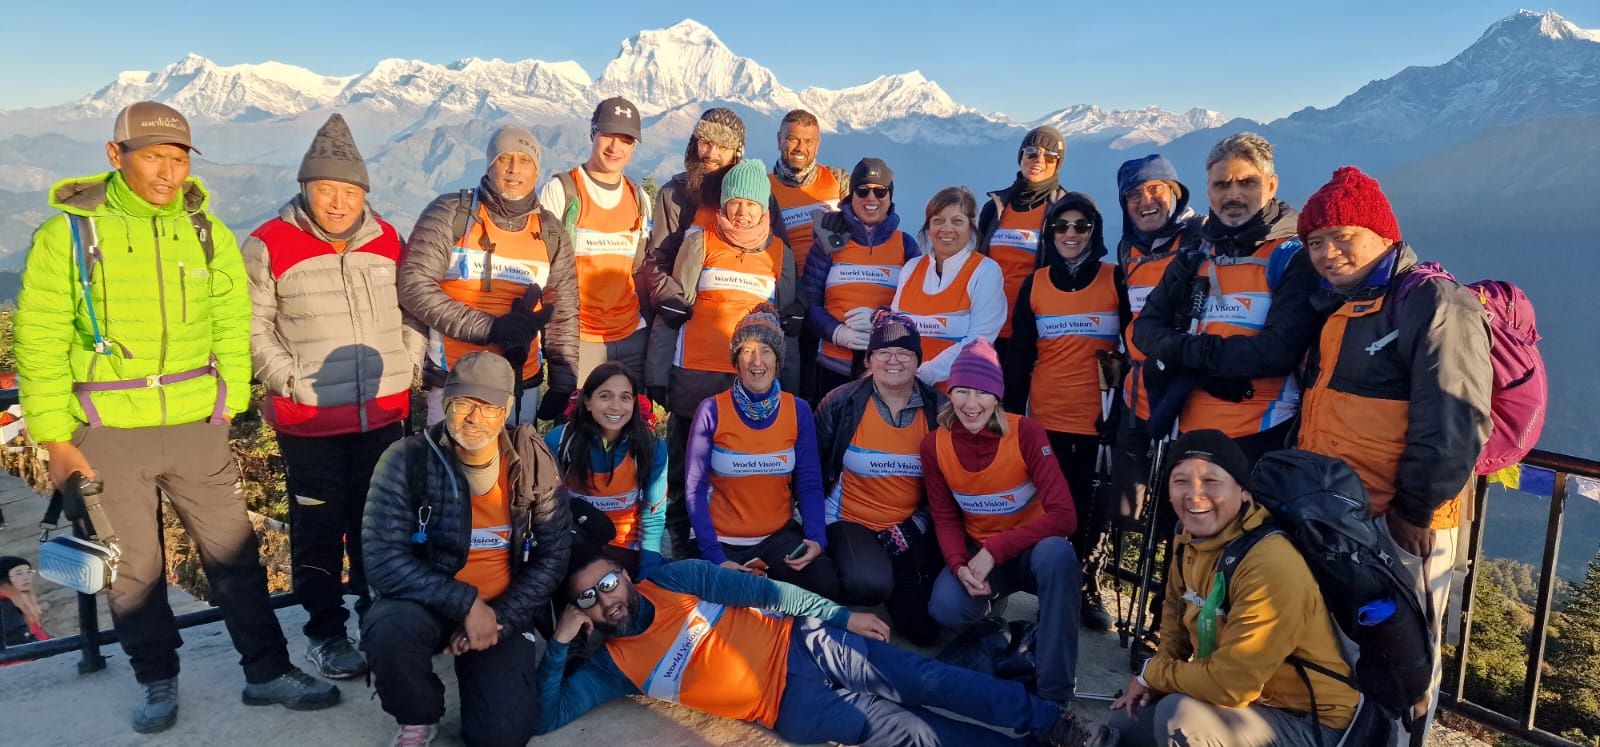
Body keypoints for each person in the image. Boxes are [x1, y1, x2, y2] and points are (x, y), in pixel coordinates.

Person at [15, 101, 339, 732]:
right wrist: (55, 434)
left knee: (235, 555)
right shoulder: (69, 234)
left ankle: (266, 672)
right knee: (134, 569)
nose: (167, 172)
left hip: (197, 423)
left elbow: (229, 321)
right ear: (117, 155)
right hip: (105, 428)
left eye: (178, 157)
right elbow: (42, 338)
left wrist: (228, 405)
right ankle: (157, 679)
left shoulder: (205, 230)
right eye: (153, 156)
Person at [1294, 167, 1492, 740]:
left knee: (1405, 659)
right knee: (1357, 652)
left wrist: (1416, 510)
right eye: (1315, 242)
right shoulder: (1344, 305)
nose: (1328, 254)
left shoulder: (1434, 300)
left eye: (1342, 237)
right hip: (1345, 518)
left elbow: (1454, 417)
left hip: (1403, 526)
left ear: (1383, 234)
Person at [538, 549, 1115, 746]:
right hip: (790, 709)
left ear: (623, 573)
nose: (604, 599)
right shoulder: (614, 667)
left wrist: (841, 614)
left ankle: (1052, 723)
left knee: (926, 680)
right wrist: (561, 645)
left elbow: (768, 590)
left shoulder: (673, 580)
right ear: (581, 611)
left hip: (808, 645)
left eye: (608, 581)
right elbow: (548, 714)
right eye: (588, 597)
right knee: (914, 733)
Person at [244, 113, 423, 680]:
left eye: (349, 191)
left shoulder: (389, 240)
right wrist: (289, 379)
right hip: (309, 420)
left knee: (380, 525)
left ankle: (380, 622)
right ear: (306, 189)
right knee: (319, 529)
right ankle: (326, 632)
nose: (339, 202)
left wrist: (408, 363)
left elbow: (414, 309)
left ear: (364, 194)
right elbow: (251, 326)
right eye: (327, 190)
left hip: (383, 412)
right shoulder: (270, 244)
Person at [361, 352, 573, 747]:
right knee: (389, 629)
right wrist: (466, 605)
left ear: (507, 408)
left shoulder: (531, 462)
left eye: (489, 407)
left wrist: (499, 618)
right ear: (445, 403)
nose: (475, 419)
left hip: (503, 606)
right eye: (464, 405)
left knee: (502, 735)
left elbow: (552, 555)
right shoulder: (407, 459)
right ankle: (418, 715)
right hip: (428, 601)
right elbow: (383, 560)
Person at [1108, 430, 1357, 747]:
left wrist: (1152, 675)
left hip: (1312, 722)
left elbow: (1231, 687)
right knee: (1126, 722)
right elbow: (1173, 620)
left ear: (1243, 492)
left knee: (1182, 719)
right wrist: (1157, 674)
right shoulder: (1187, 537)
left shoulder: (1270, 562)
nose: (1194, 494)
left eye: (1211, 482)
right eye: (1180, 480)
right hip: (1248, 701)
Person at [642, 158, 799, 559]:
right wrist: (657, 373)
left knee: (737, 464)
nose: (742, 212)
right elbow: (675, 310)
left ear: (765, 208)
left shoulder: (780, 254)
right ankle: (681, 539)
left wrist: (792, 384)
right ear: (724, 204)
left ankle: (732, 539)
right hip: (694, 375)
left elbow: (783, 326)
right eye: (735, 203)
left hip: (750, 380)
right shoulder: (700, 242)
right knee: (683, 467)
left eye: (752, 203)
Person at [1130, 132, 1319, 464]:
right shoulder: (1195, 254)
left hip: (1261, 437)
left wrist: (1185, 354)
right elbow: (1144, 330)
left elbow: (1277, 352)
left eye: (1247, 183)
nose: (1233, 195)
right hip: (1186, 433)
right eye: (1221, 185)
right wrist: (1205, 362)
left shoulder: (1293, 256)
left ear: (1271, 185)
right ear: (1208, 191)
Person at [924, 340, 1084, 706]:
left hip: (1032, 554)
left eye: (981, 392)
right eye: (961, 391)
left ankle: (1054, 692)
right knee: (945, 607)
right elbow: (945, 516)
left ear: (996, 396)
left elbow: (1064, 516)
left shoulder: (1026, 432)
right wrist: (958, 565)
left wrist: (995, 551)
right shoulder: (934, 445)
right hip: (981, 556)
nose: (970, 403)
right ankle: (993, 617)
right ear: (950, 394)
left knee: (1059, 556)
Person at [1004, 192, 1130, 631]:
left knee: (1090, 510)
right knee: (1050, 510)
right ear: (1050, 232)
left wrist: (1125, 411)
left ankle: (1085, 585)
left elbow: (1133, 350)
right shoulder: (1035, 284)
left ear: (1094, 231)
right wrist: (1010, 416)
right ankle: (1053, 588)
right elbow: (1020, 356)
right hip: (1045, 419)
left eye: (1081, 226)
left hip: (1097, 419)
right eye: (1062, 226)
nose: (1071, 234)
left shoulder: (1116, 280)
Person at [399, 125, 578, 426]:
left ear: (537, 171)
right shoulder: (450, 213)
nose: (514, 169)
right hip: (453, 379)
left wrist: (562, 380)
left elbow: (563, 310)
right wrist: (490, 328)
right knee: (450, 470)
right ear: (490, 164)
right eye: (504, 158)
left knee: (515, 470)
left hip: (521, 382)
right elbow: (414, 286)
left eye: (525, 161)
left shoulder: (550, 231)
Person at [683, 306, 838, 598]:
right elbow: (694, 488)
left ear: (778, 360)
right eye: (747, 351)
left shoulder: (798, 410)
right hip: (721, 540)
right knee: (728, 604)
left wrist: (816, 537)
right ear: (736, 361)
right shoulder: (711, 410)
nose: (757, 361)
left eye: (766, 350)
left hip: (777, 537)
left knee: (825, 585)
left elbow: (809, 483)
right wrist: (714, 555)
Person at [812, 310, 945, 645]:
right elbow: (811, 470)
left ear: (918, 360)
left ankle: (893, 575)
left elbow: (951, 486)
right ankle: (851, 566)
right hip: (849, 517)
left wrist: (918, 524)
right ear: (870, 359)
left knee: (923, 629)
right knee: (869, 584)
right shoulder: (842, 402)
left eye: (904, 352)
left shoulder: (938, 410)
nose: (893, 360)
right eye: (883, 352)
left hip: (909, 526)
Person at [537, 97, 653, 384]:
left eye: (625, 140)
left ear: (634, 146)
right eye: (608, 136)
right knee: (580, 420)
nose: (615, 148)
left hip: (631, 335)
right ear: (593, 133)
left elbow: (639, 269)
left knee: (631, 420)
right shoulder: (562, 191)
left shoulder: (639, 199)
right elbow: (541, 267)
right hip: (580, 337)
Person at [803, 158, 919, 398]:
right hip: (832, 366)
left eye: (880, 191)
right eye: (862, 190)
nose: (871, 198)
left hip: (887, 369)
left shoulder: (905, 245)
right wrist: (836, 332)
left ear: (890, 196)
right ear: (851, 194)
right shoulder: (829, 242)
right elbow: (810, 302)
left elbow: (917, 306)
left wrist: (882, 319)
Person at [546, 361, 668, 578]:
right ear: (587, 401)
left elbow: (653, 516)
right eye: (605, 396)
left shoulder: (651, 448)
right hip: (574, 548)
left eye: (625, 397)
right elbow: (545, 511)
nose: (616, 406)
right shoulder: (559, 441)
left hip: (626, 550)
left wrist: (649, 574)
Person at [891, 186, 1006, 390]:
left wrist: (923, 374)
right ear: (928, 228)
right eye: (938, 221)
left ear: (971, 227)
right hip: (907, 392)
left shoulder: (985, 271)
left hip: (960, 399)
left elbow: (978, 342)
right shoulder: (911, 268)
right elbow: (895, 332)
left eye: (957, 221)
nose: (946, 229)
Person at [770, 109, 850, 400]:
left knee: (827, 382)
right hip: (787, 298)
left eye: (808, 141)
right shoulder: (765, 187)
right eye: (792, 139)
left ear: (818, 144)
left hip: (831, 295)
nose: (800, 148)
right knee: (792, 380)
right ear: (779, 139)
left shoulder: (839, 182)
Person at [976, 126, 1069, 354]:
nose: (1039, 160)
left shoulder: (1065, 211)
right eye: (1031, 153)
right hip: (989, 328)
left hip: (1037, 332)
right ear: (1021, 157)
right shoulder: (995, 207)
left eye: (1049, 156)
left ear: (1058, 164)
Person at [643, 106, 746, 256]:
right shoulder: (673, 194)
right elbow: (658, 257)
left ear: (735, 154)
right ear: (694, 144)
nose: (711, 154)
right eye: (705, 143)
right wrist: (671, 281)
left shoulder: (753, 198)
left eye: (723, 147)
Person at [0, 557, 48, 649]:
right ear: (4, 579)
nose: (26, 578)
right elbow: (20, 639)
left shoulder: (20, 602)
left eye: (29, 572)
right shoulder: (5, 606)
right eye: (19, 574)